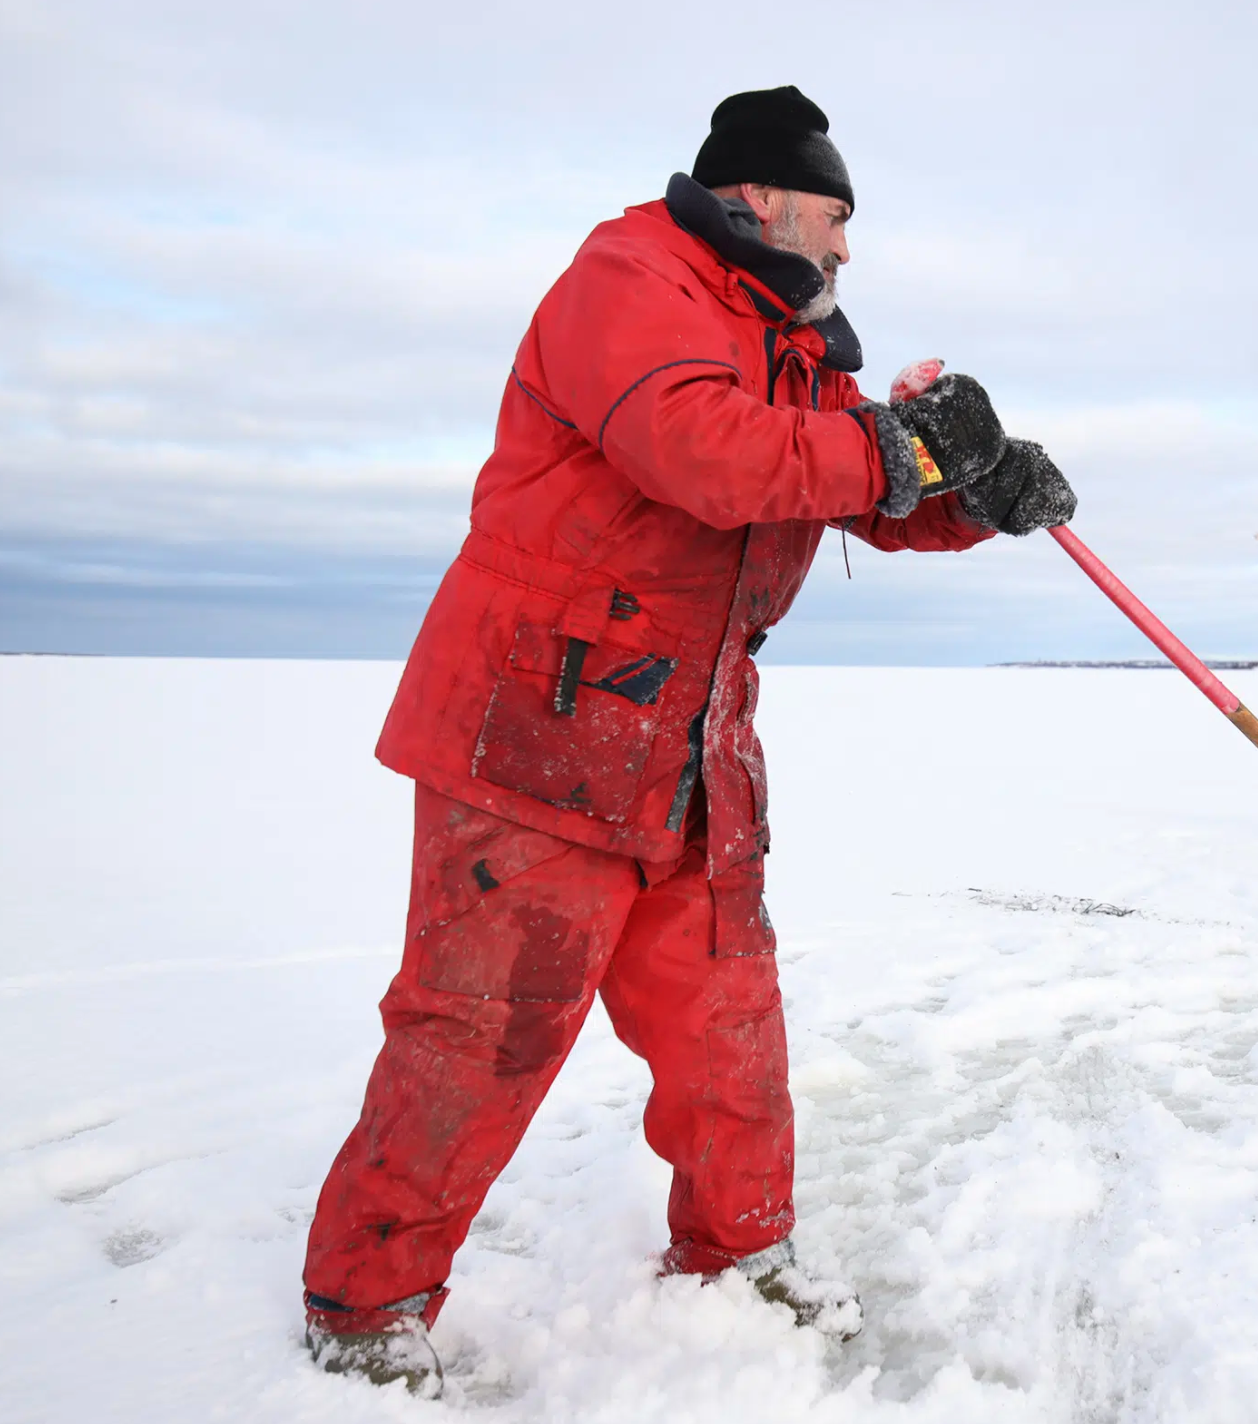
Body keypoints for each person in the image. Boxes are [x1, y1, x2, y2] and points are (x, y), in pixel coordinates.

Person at [299, 85, 1076, 1393]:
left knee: (730, 1032)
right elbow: (704, 453)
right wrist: (896, 450)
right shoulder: (633, 279)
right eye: (839, 217)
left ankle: (742, 1253)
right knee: (481, 1033)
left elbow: (842, 485)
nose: (848, 250)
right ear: (761, 198)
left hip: (695, 744)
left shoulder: (793, 339)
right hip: (539, 730)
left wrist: (970, 493)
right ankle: (363, 1302)